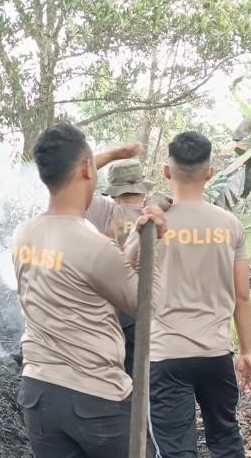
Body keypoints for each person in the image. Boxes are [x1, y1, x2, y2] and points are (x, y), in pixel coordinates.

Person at [12, 123, 167, 458]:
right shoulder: (92, 244)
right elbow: (145, 306)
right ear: (86, 168)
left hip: (38, 395)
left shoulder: (23, 235)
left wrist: (136, 241)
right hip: (95, 400)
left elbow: (91, 277)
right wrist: (157, 244)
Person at [148, 131, 251, 458]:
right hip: (216, 354)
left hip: (166, 355)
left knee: (176, 451)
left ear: (167, 172)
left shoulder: (152, 224)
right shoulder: (230, 225)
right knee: (225, 440)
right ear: (210, 172)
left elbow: (125, 272)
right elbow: (242, 296)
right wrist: (247, 352)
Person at [85, 157, 156, 377]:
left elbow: (73, 176)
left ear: (114, 192)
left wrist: (115, 153)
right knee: (145, 377)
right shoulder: (157, 213)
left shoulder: (102, 209)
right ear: (142, 190)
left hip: (110, 310)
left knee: (114, 375)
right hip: (150, 306)